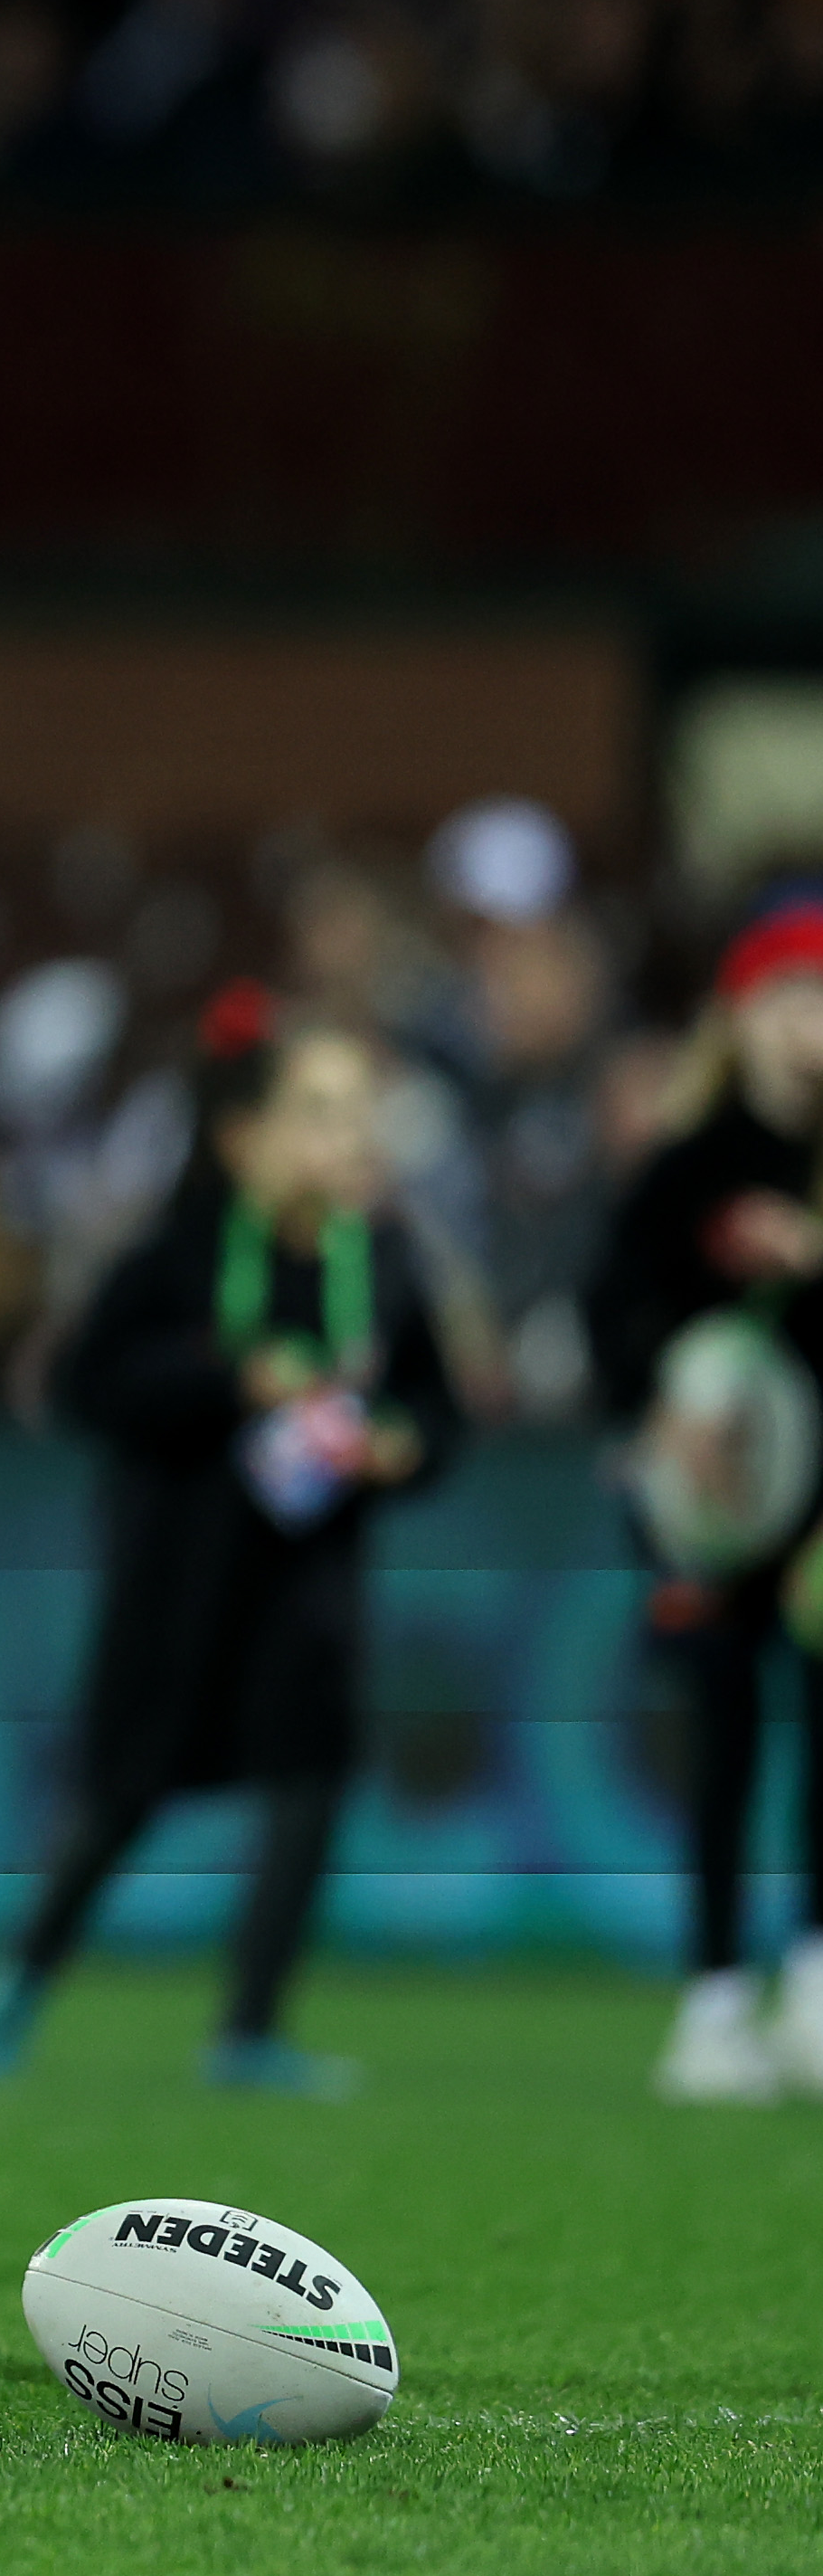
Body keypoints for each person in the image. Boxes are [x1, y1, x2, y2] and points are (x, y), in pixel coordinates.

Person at [0, 999, 459, 2099]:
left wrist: (398, 1444)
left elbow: (438, 1410)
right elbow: (88, 1385)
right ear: (241, 1136)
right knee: (123, 1790)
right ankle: (14, 1987)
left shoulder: (379, 1260)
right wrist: (229, 1379)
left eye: (358, 1112)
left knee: (310, 1775)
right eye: (320, 1111)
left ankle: (249, 2026)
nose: (351, 1135)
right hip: (175, 1575)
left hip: (310, 1578)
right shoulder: (172, 1258)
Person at [586, 897, 823, 2104]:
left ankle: (812, 1985)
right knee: (723, 1730)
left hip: (813, 1508)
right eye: (790, 998)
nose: (809, 1027)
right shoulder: (690, 1162)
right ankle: (718, 1994)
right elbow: (609, 1309)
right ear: (743, 1014)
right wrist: (657, 1404)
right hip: (702, 1500)